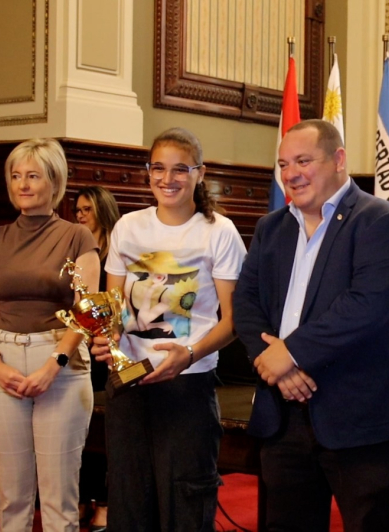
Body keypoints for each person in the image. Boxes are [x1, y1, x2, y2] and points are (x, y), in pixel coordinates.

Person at [233, 119, 389, 532]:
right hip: (282, 415)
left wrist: (291, 353)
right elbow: (246, 302)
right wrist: (273, 363)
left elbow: (365, 307)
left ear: (339, 160)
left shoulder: (382, 222)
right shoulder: (272, 227)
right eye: (283, 164)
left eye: (303, 160)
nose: (290, 174)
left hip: (359, 415)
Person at [91, 127, 246, 531]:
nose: (167, 178)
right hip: (128, 383)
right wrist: (108, 339)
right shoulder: (128, 226)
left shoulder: (219, 232)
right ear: (147, 173)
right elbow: (113, 305)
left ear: (200, 173)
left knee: (184, 504)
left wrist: (190, 354)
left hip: (187, 385)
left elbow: (234, 320)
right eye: (158, 168)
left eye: (180, 169)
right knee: (128, 499)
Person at [0, 138, 100, 531]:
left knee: (59, 501)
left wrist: (53, 365)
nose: (22, 184)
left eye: (32, 175)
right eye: (15, 176)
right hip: (0, 363)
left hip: (59, 364)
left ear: (54, 181)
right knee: (12, 499)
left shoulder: (77, 236)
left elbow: (86, 311)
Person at [74, 185, 121, 531]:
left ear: (102, 211)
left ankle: (104, 503)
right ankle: (80, 499)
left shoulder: (115, 253)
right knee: (81, 429)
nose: (79, 215)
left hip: (106, 347)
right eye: (77, 209)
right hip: (78, 346)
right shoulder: (75, 250)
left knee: (103, 430)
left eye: (86, 209)